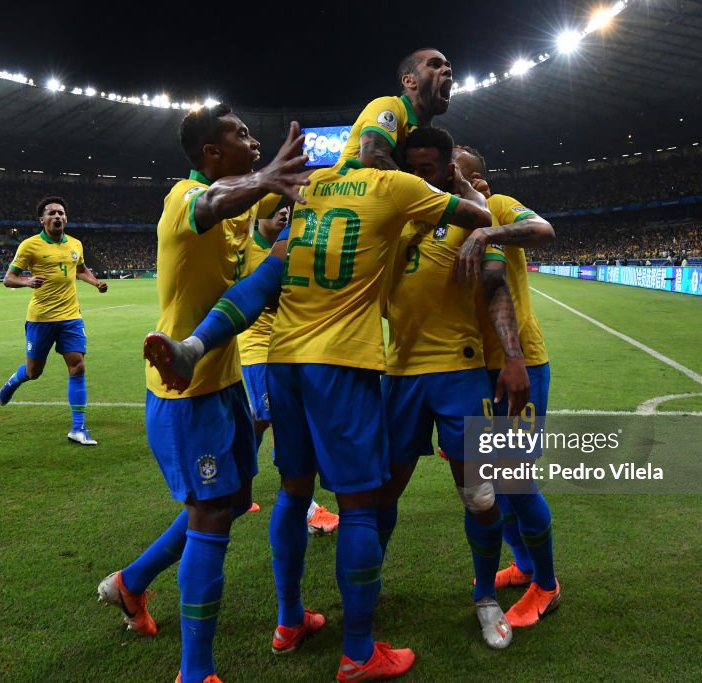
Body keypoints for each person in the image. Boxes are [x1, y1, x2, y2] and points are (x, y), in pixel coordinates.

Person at [144, 140, 493, 682]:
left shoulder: (310, 191)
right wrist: (456, 186)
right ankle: (358, 652)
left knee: (293, 490)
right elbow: (484, 215)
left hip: (284, 359)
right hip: (351, 362)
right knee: (361, 505)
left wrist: (197, 343)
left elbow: (265, 281)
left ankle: (288, 621)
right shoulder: (394, 189)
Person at [98, 104, 310, 683]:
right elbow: (213, 203)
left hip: (222, 381)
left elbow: (249, 277)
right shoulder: (183, 200)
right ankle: (195, 673)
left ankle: (131, 583)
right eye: (240, 135)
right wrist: (266, 181)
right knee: (214, 513)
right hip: (181, 388)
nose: (253, 139)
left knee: (231, 500)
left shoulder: (238, 214)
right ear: (212, 154)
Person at [376, 127, 529, 649]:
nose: (419, 176)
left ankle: (486, 597)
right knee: (382, 493)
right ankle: (368, 587)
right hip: (397, 375)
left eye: (430, 168)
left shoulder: (473, 223)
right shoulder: (389, 223)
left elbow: (495, 288)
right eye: (410, 168)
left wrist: (513, 357)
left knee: (481, 495)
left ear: (447, 171)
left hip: (460, 374)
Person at [453, 144, 561, 630]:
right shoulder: (440, 216)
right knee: (491, 485)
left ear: (479, 180)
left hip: (522, 364)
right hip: (476, 370)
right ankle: (524, 564)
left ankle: (548, 584)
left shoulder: (498, 207)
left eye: (455, 168)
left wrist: (488, 229)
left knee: (515, 482)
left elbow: (543, 230)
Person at [237, 205, 340, 534]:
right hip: (259, 347)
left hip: (286, 345)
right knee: (276, 418)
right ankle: (306, 506)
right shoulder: (250, 252)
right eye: (273, 208)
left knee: (261, 419)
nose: (283, 213)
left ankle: (238, 485)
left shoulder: (494, 214)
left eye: (285, 207)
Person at [0, 197, 107, 445]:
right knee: (34, 372)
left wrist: (95, 282)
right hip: (41, 319)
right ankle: (13, 381)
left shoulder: (75, 244)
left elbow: (80, 269)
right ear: (42, 220)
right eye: (52, 213)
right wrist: (27, 281)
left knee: (77, 366)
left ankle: (78, 428)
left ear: (66, 218)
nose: (58, 217)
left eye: (61, 213)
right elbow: (8, 278)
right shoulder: (30, 246)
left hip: (71, 317)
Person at [338, 48, 454, 170]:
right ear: (410, 81)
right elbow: (373, 156)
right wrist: (424, 189)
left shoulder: (427, 134)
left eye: (447, 66)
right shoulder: (389, 105)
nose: (448, 70)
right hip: (347, 186)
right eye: (434, 65)